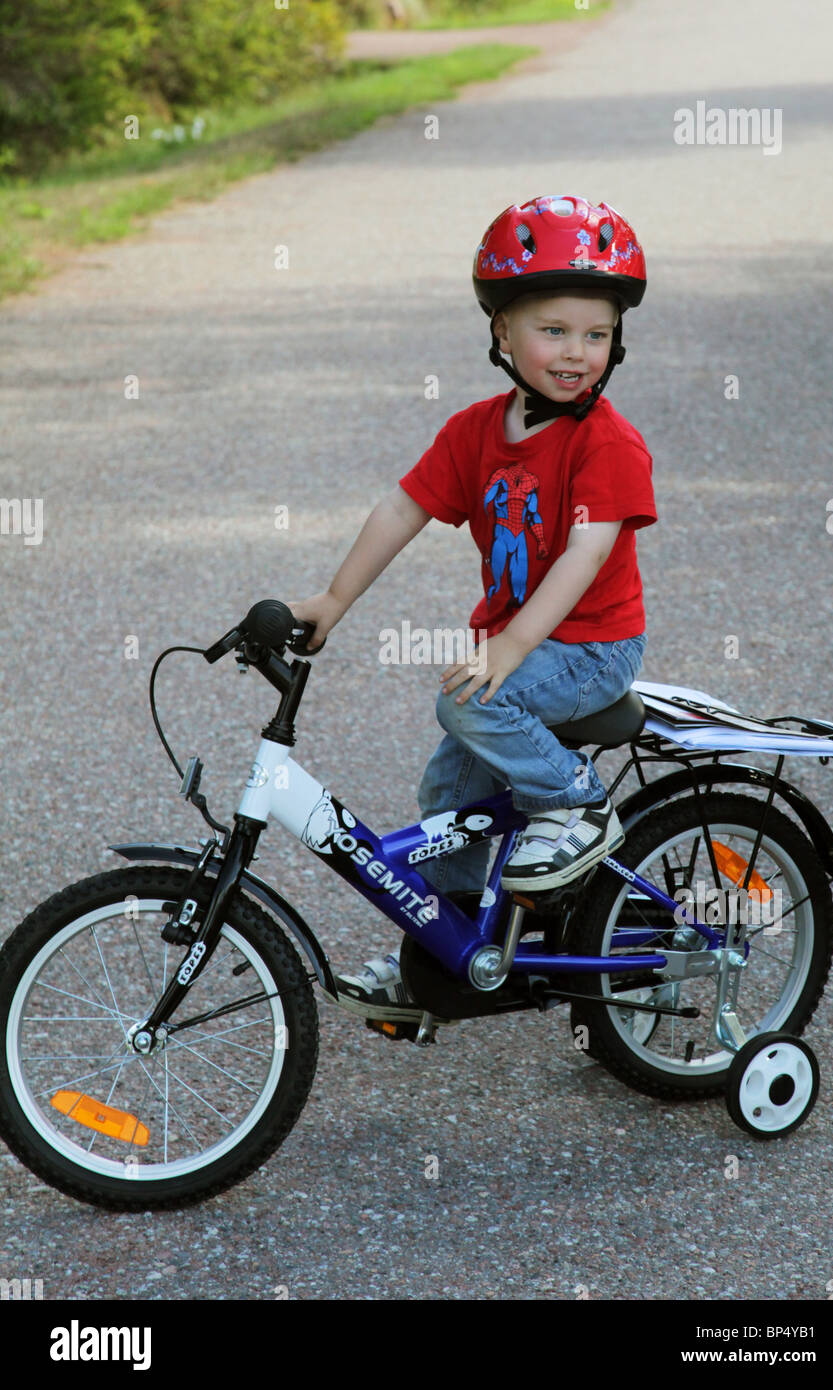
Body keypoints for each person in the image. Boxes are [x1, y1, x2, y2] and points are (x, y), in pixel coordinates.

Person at [290, 195, 656, 1006]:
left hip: (591, 648)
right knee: (448, 801)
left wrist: (514, 648)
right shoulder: (475, 433)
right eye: (553, 331)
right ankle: (446, 951)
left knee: (472, 704)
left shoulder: (608, 443)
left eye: (596, 335)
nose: (576, 353)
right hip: (523, 644)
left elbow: (586, 553)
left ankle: (577, 805)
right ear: (502, 334)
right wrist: (333, 599)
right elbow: (402, 509)